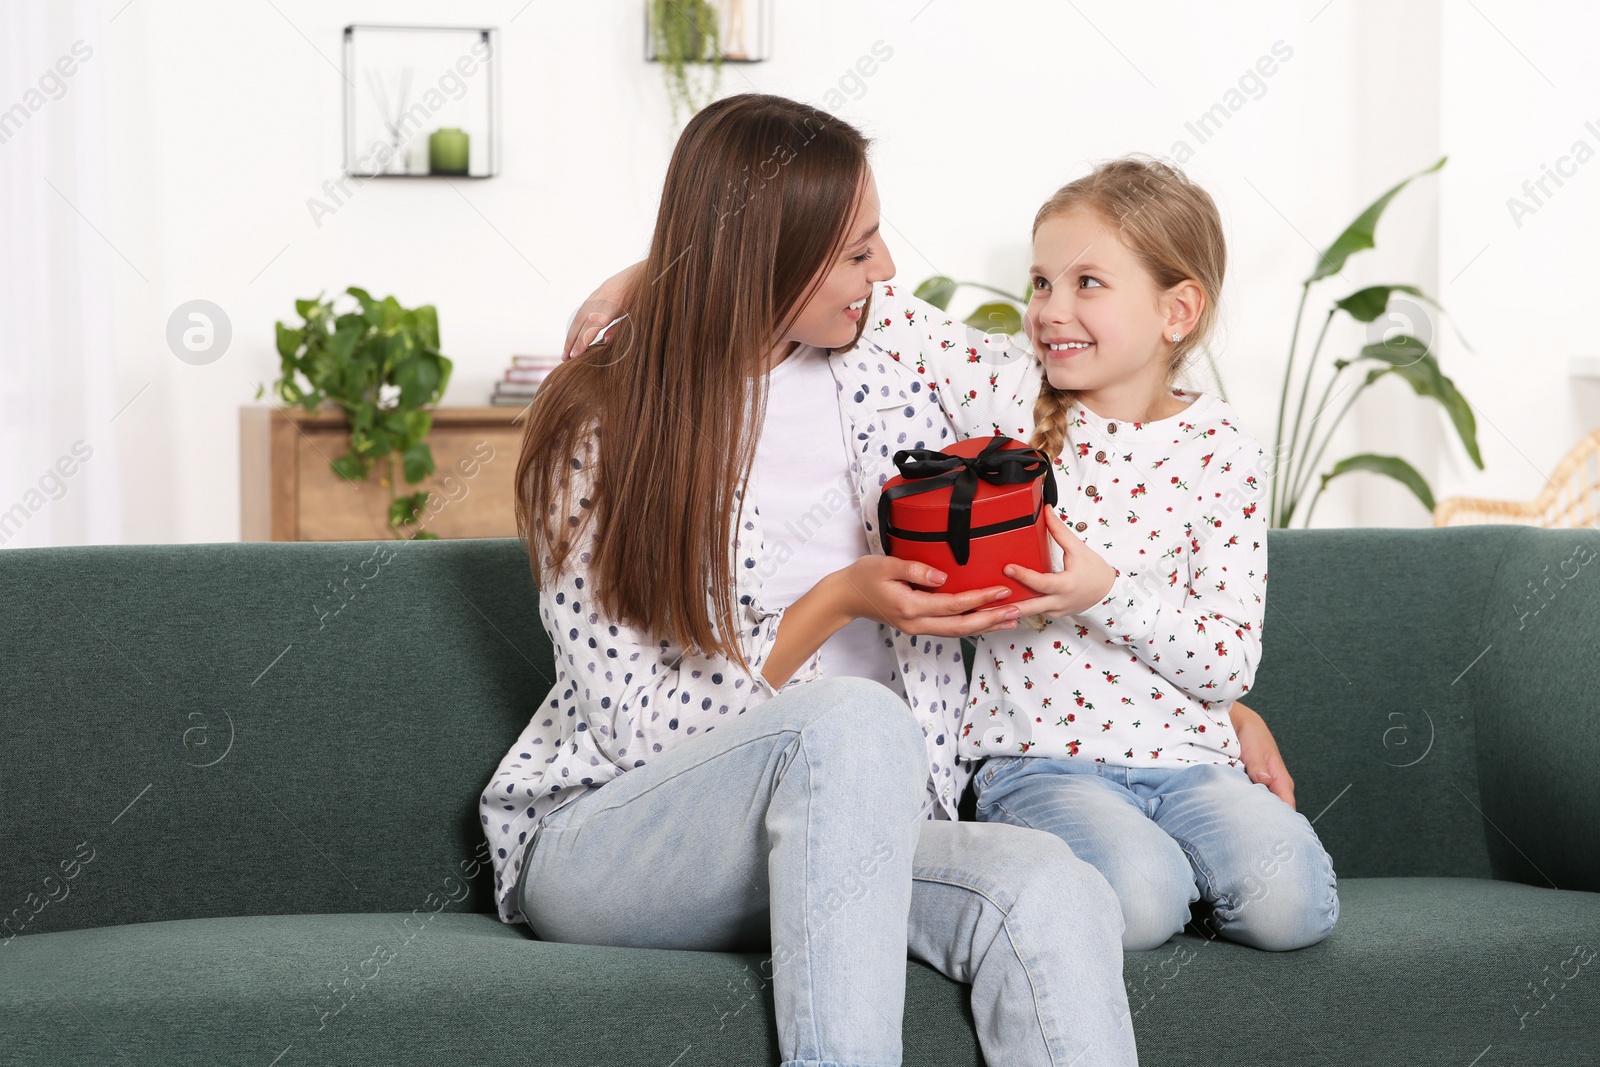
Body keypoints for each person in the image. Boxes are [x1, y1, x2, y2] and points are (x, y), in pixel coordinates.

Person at [486, 93, 1139, 1067]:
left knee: (1052, 883)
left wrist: (1200, 693)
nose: (884, 270)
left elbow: (1058, 379)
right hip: (614, 837)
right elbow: (636, 727)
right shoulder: (598, 427)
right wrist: (834, 600)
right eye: (855, 250)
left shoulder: (876, 360)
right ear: (766, 259)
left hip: (850, 827)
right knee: (852, 717)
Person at [865, 156, 1339, 953]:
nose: (1051, 309)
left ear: (1176, 310)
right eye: (1041, 282)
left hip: (1196, 766)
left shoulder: (1222, 450)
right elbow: (871, 306)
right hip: (1039, 765)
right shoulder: (1009, 392)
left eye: (1088, 283)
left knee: (1289, 905)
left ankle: (1182, 866)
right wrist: (649, 276)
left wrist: (1101, 591)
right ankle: (1157, 874)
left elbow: (1227, 666)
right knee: (1143, 901)